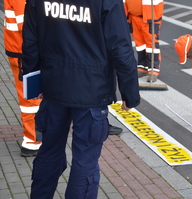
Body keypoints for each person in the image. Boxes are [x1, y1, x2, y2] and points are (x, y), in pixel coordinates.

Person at [22, 0, 140, 198]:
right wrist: (130, 93)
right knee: (85, 161)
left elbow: (30, 39)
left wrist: (34, 79)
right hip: (91, 90)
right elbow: (120, 47)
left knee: (49, 152)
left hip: (54, 85)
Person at [3, 0, 42, 157]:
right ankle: (32, 141)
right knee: (31, 99)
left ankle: (33, 137)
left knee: (30, 97)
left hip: (20, 51)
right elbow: (26, 26)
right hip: (25, 53)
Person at [123, 0, 164, 82]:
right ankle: (142, 66)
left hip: (149, 19)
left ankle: (153, 69)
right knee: (139, 45)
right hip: (133, 18)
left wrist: (155, 19)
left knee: (152, 46)